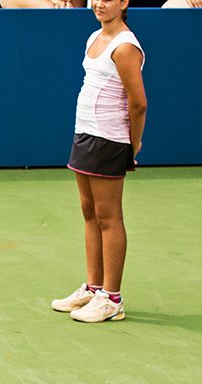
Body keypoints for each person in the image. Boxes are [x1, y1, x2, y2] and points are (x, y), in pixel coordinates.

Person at [50, 0, 145, 323]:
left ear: (125, 3)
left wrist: (133, 142)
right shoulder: (93, 38)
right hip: (85, 133)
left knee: (109, 216)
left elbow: (139, 102)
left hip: (110, 138)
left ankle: (112, 298)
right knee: (89, 211)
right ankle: (93, 288)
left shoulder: (125, 46)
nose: (100, 3)